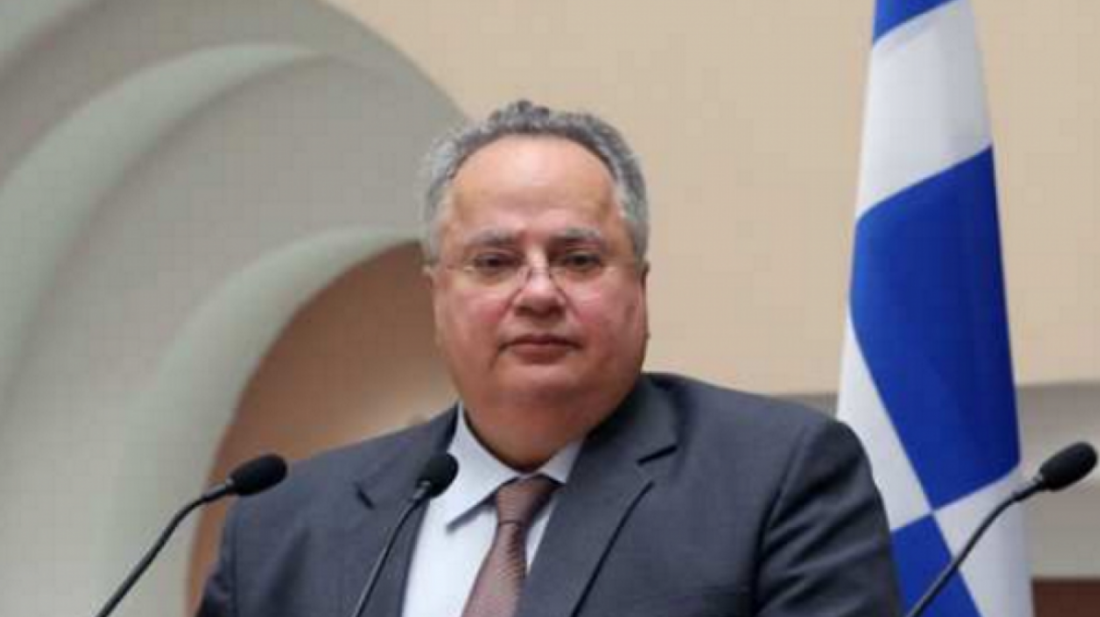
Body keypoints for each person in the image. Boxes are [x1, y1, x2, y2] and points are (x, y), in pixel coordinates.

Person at [197, 101, 902, 617]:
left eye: (578, 259)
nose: (538, 292)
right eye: (494, 261)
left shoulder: (775, 478)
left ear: (640, 287)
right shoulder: (283, 527)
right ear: (437, 295)